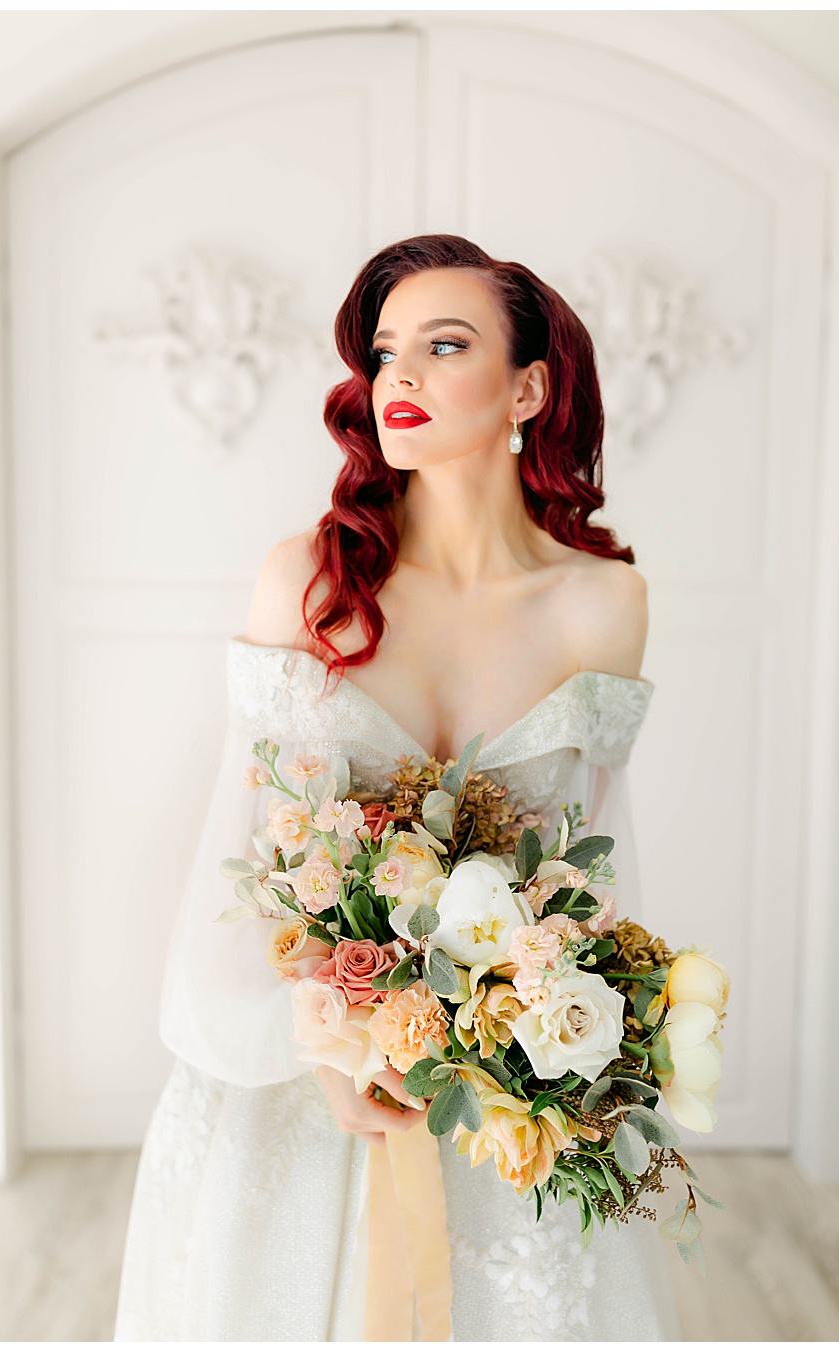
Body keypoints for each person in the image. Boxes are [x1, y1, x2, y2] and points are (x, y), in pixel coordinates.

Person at [114, 235, 676, 1339]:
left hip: (508, 1096)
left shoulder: (605, 606)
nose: (399, 378)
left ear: (529, 387)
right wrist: (323, 1047)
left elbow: (590, 872)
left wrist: (561, 1044)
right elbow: (251, 855)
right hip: (298, 1084)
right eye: (383, 352)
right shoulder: (311, 582)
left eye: (443, 344)